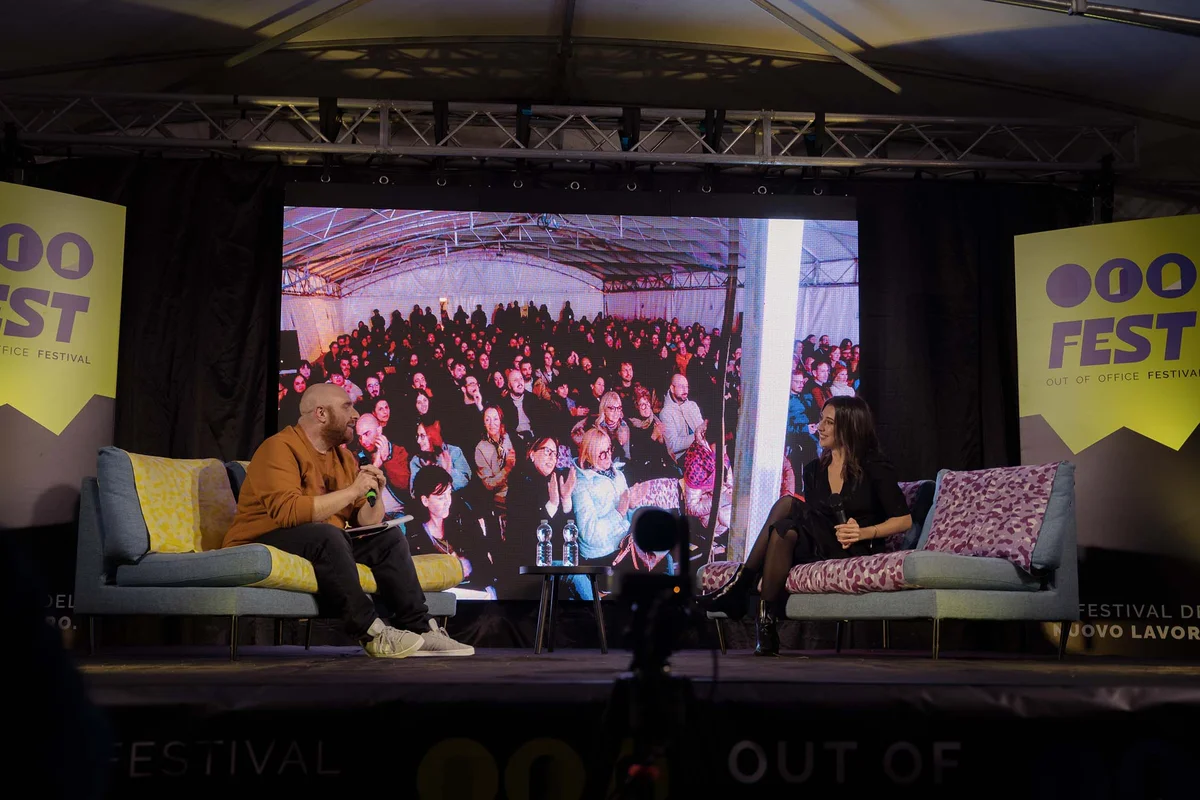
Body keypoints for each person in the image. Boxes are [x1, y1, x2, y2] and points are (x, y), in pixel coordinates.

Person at [223, 384, 473, 657]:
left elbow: (365, 521)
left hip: (320, 539)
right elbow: (289, 513)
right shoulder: (279, 448)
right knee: (328, 535)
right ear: (321, 413)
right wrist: (353, 491)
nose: (354, 414)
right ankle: (372, 633)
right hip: (265, 536)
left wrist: (373, 492)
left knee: (387, 538)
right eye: (346, 407)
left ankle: (421, 629)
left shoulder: (344, 458)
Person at [699, 396, 911, 656]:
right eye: (821, 419)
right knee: (783, 531)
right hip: (817, 545)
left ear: (849, 427)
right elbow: (813, 519)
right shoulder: (814, 470)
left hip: (854, 547)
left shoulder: (874, 467)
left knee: (787, 504)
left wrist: (864, 531)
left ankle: (741, 586)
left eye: (829, 422)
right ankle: (765, 625)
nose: (820, 426)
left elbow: (904, 520)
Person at [409, 466, 497, 600]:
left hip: (475, 590)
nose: (447, 502)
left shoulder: (463, 520)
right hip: (439, 598)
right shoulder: (415, 535)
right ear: (425, 500)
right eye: (440, 498)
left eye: (449, 494)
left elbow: (484, 563)